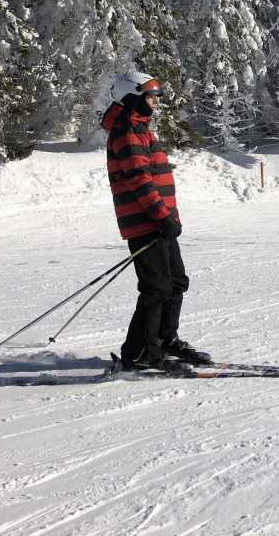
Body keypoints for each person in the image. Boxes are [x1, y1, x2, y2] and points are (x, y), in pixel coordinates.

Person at [101, 71, 208, 370]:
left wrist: (167, 217)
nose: (156, 102)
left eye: (156, 96)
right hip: (146, 221)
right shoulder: (128, 130)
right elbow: (138, 178)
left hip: (159, 221)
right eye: (150, 97)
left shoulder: (139, 127)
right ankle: (139, 353)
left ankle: (163, 340)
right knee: (157, 288)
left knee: (176, 282)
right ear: (132, 97)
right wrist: (162, 215)